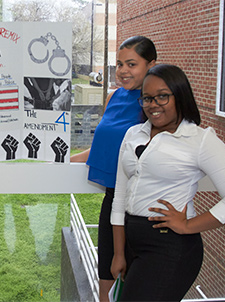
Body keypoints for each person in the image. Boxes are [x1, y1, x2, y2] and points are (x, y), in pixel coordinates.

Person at [110, 64, 225, 301]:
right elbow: (120, 197)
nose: (153, 104)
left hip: (169, 248)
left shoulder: (200, 140)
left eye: (162, 96)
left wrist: (188, 225)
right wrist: (118, 253)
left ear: (180, 95)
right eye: (147, 98)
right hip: (131, 243)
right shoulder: (133, 134)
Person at [70, 36, 157, 301]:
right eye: (119, 64)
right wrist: (61, 159)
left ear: (151, 65)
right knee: (106, 284)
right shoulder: (114, 96)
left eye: (132, 64)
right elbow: (101, 148)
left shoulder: (155, 102)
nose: (122, 71)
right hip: (113, 199)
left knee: (137, 287)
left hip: (144, 207)